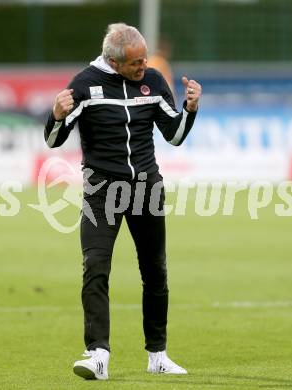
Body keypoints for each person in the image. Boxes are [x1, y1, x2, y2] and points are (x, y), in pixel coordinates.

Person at [44, 23, 201, 381]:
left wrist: (191, 109)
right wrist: (55, 114)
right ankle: (97, 354)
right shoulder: (83, 85)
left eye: (145, 59)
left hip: (147, 188)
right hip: (102, 193)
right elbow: (54, 140)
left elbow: (174, 135)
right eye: (136, 63)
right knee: (95, 268)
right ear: (113, 62)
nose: (144, 66)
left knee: (155, 271)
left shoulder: (155, 81)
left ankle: (157, 354)